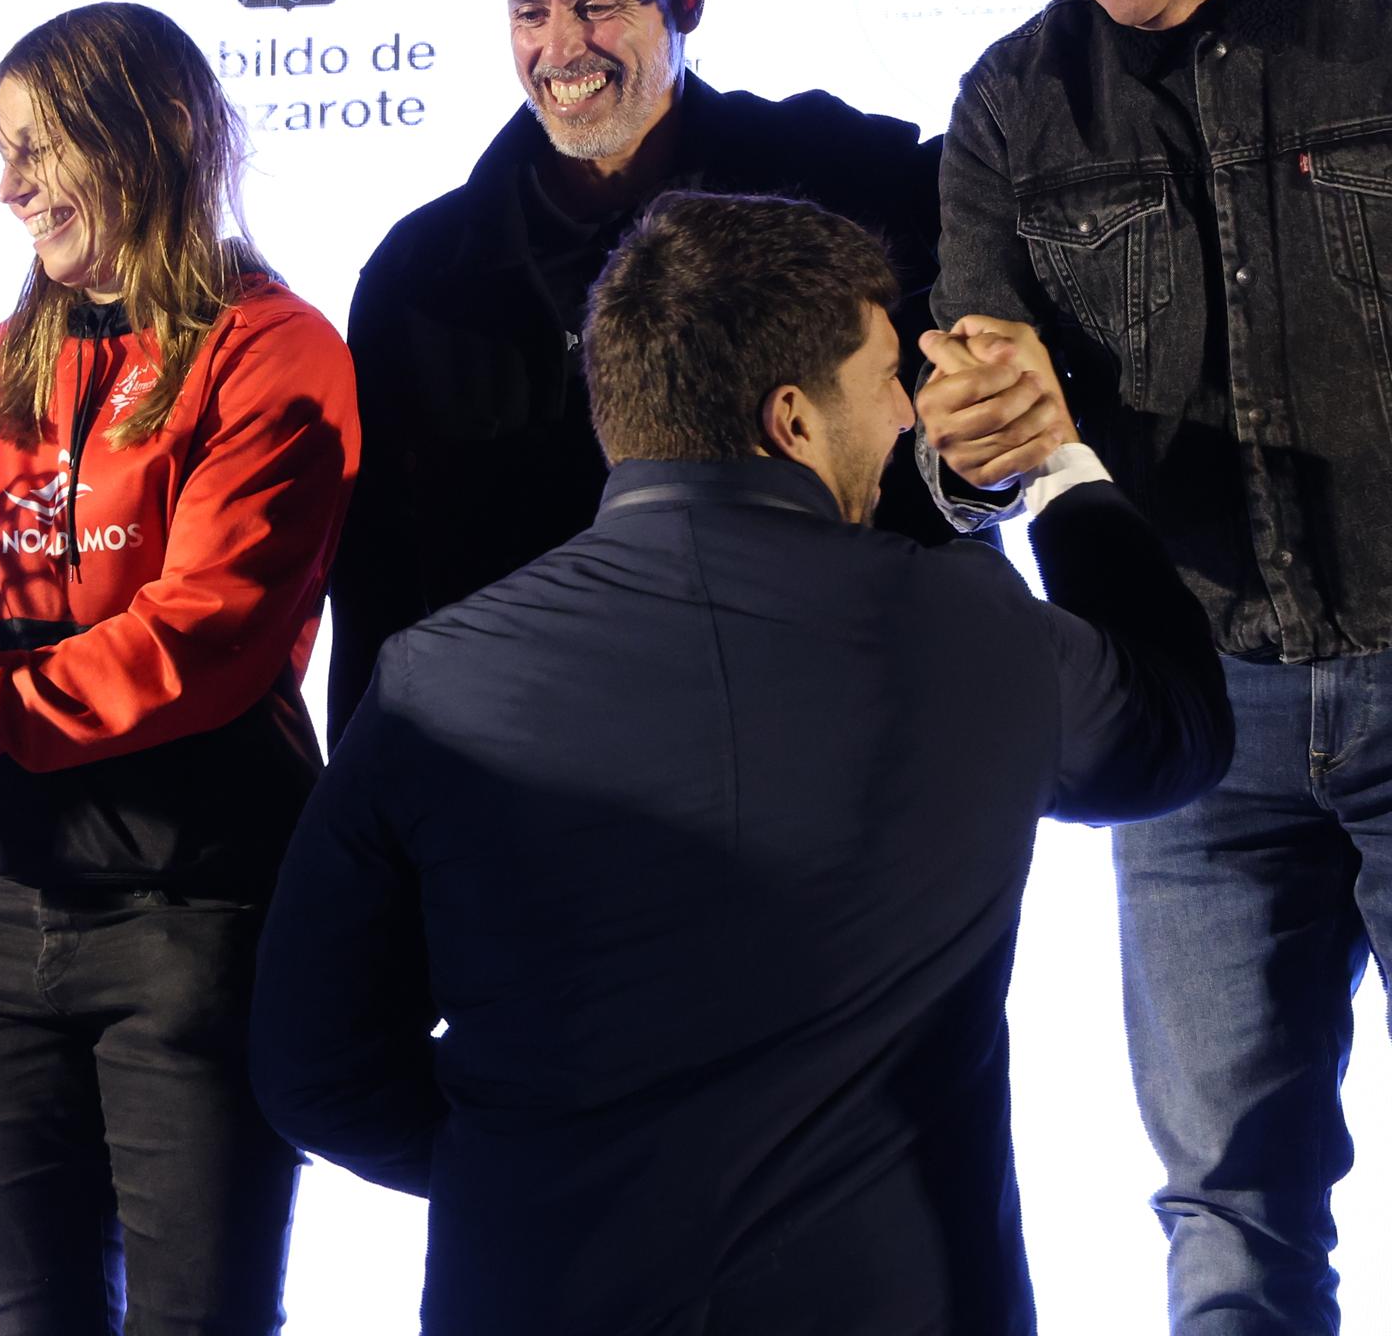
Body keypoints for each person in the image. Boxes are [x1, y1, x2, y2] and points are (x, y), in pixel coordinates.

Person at [253, 190, 1228, 1335]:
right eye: (884, 381)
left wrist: (530, 1170)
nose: (909, 418)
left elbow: (313, 1065)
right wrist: (1053, 463)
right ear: (793, 421)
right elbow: (1178, 732)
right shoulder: (973, 628)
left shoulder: (433, 682)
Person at [0, 1, 356, 1336]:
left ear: (152, 134)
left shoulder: (277, 353)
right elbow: (29, 606)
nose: (7, 185)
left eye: (38, 147)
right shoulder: (5, 359)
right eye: (1, 148)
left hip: (189, 919)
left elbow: (194, 645)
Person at [921, 0, 1392, 1332]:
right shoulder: (1011, 102)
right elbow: (970, 435)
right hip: (1193, 724)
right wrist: (971, 449)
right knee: (1225, 1206)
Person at [325, 0, 949, 735]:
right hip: (535, 778)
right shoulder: (424, 277)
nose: (560, 49)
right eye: (530, 13)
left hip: (818, 744)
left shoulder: (840, 181)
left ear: (686, 0)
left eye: (596, 7)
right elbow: (381, 586)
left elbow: (1002, 208)